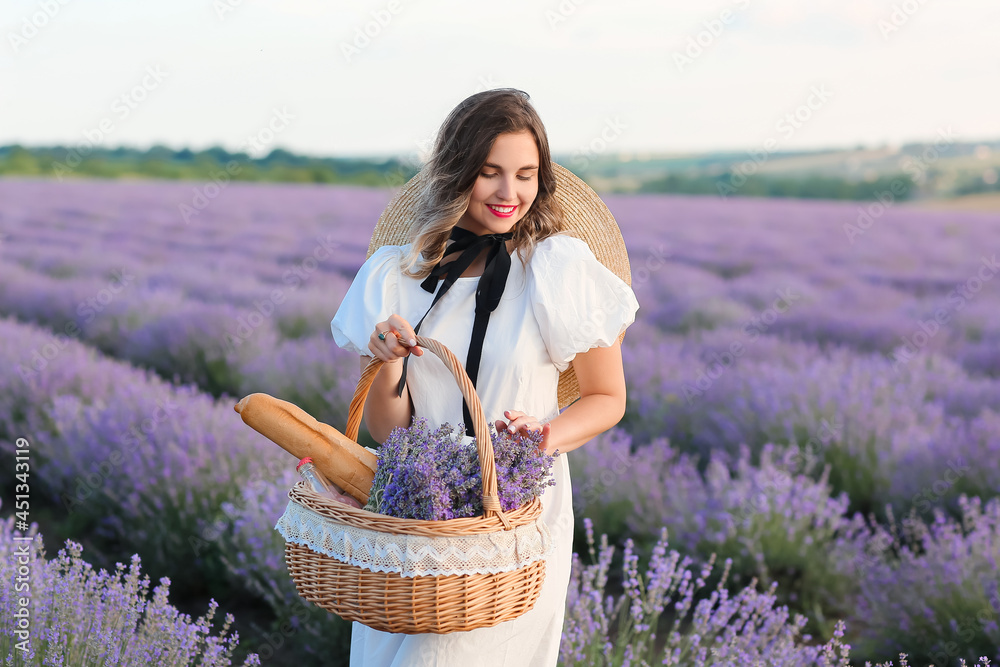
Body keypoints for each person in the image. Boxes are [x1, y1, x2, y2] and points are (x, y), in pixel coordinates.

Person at [330, 88, 640, 667]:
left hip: (515, 514)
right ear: (457, 172)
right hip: (418, 512)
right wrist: (389, 359)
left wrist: (544, 437)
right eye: (490, 172)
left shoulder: (558, 269)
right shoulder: (398, 274)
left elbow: (606, 398)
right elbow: (388, 431)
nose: (509, 193)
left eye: (526, 174)